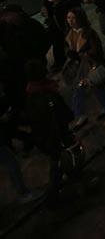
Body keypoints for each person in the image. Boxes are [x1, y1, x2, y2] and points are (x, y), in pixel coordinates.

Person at [23, 59, 74, 199]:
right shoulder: (46, 95)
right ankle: (54, 193)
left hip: (45, 136)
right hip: (54, 136)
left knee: (58, 160)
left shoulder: (31, 92)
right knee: (59, 161)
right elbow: (63, 114)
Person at [62, 7, 105, 127]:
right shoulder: (69, 34)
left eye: (73, 18)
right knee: (80, 88)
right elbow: (68, 49)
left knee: (97, 85)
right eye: (69, 18)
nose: (71, 20)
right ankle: (82, 114)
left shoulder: (88, 33)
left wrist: (86, 54)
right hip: (80, 66)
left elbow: (96, 49)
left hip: (92, 64)